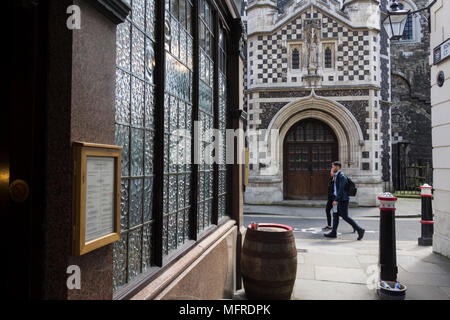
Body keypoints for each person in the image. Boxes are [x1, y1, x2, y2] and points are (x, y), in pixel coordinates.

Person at [324, 161, 365, 240]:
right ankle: (333, 232)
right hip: (338, 199)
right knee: (335, 216)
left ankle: (360, 229)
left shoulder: (342, 176)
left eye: (333, 167)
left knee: (345, 216)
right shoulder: (336, 176)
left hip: (342, 200)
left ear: (337, 167)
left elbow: (341, 190)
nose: (332, 168)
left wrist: (336, 199)